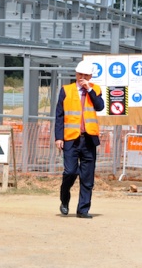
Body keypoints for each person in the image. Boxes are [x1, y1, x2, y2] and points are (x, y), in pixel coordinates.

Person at [55, 60, 105, 219]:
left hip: (89, 138)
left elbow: (100, 106)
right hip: (71, 138)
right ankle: (64, 198)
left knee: (87, 176)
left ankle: (83, 210)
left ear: (90, 76)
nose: (82, 77)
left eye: (86, 75)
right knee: (70, 171)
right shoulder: (66, 90)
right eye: (80, 74)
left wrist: (89, 89)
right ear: (76, 74)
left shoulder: (95, 89)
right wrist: (58, 137)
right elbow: (59, 116)